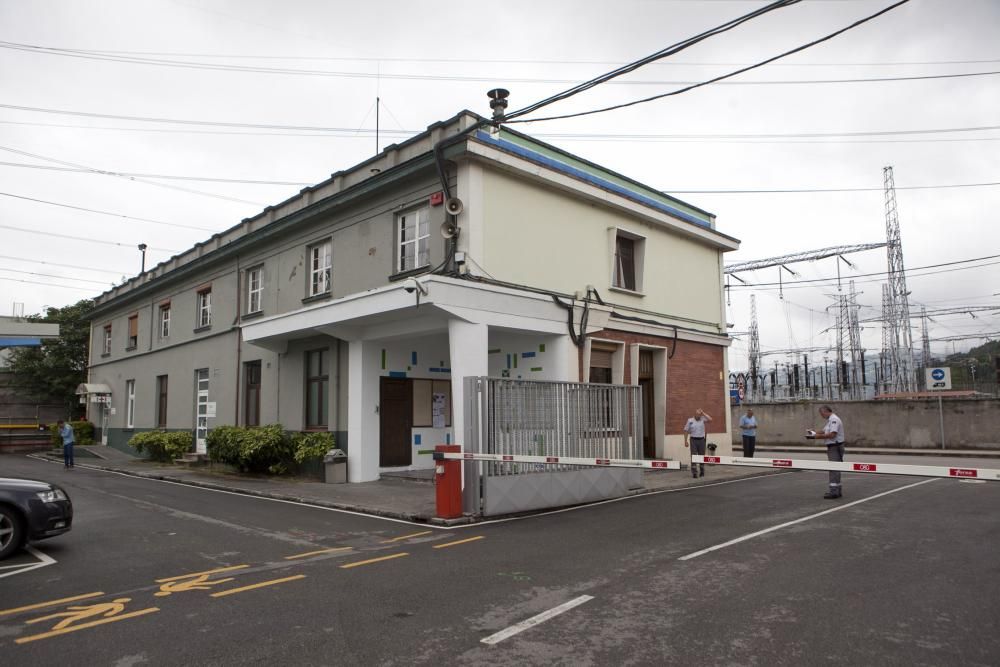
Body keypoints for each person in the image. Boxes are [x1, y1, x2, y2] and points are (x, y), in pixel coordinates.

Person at [806, 405, 845, 499]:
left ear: (826, 411)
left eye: (822, 414)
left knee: (833, 469)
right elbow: (823, 431)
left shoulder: (834, 420)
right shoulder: (830, 421)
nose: (821, 416)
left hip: (835, 447)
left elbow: (832, 434)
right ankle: (837, 490)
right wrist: (813, 432)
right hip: (834, 447)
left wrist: (816, 437)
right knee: (836, 468)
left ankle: (834, 492)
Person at [683, 408, 713, 478]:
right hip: (693, 440)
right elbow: (686, 431)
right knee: (694, 456)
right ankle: (694, 472)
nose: (699, 416)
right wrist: (685, 441)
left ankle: (702, 471)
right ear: (695, 414)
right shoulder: (690, 420)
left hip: (702, 440)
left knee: (701, 456)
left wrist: (703, 413)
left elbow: (710, 419)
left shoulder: (703, 419)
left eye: (700, 415)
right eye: (698, 415)